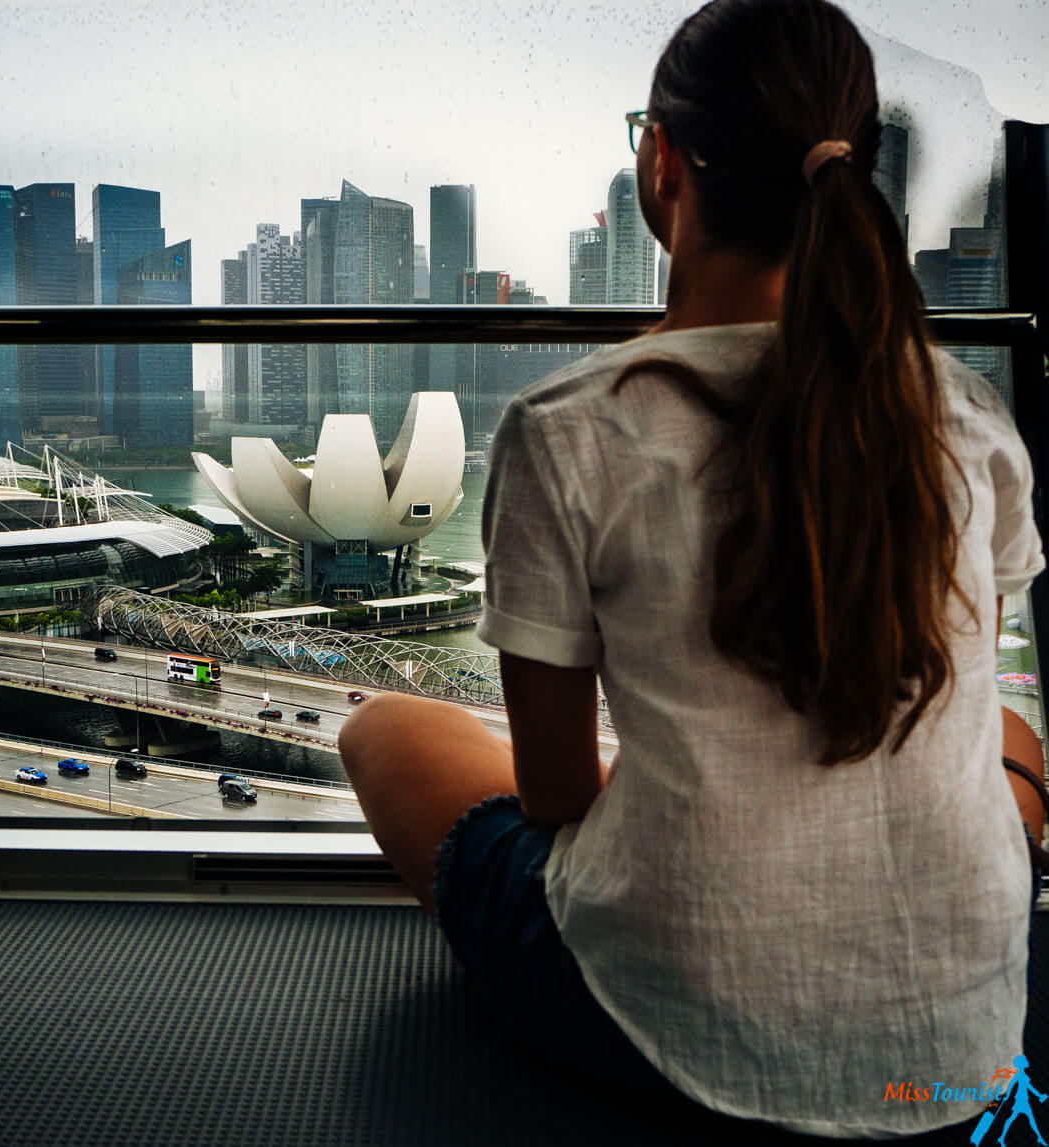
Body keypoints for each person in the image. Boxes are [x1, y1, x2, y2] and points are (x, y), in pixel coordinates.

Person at [338, 0, 1046, 1138]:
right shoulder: (965, 410)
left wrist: (720, 829)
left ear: (660, 164)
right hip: (957, 1042)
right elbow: (947, 683)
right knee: (1013, 741)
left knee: (382, 730)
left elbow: (560, 798)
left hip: (669, 1020)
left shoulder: (572, 429)